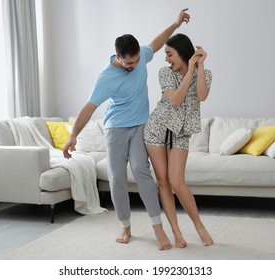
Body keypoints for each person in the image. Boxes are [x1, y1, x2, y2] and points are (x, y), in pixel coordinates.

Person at [63, 9, 191, 250]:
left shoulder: (141, 55)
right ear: (118, 57)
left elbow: (157, 41)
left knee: (142, 172)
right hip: (116, 128)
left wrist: (175, 24)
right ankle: (125, 224)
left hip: (140, 124)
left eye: (136, 61)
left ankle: (158, 228)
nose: (134, 65)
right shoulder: (105, 78)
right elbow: (88, 108)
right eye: (129, 62)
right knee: (117, 177)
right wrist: (72, 136)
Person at [144, 33, 214, 248]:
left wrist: (198, 67)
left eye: (169, 54)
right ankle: (176, 231)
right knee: (163, 182)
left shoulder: (205, 73)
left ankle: (199, 225)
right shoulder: (164, 73)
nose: (166, 58)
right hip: (157, 129)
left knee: (177, 182)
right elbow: (175, 100)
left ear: (182, 53)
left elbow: (201, 96)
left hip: (181, 134)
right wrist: (189, 70)